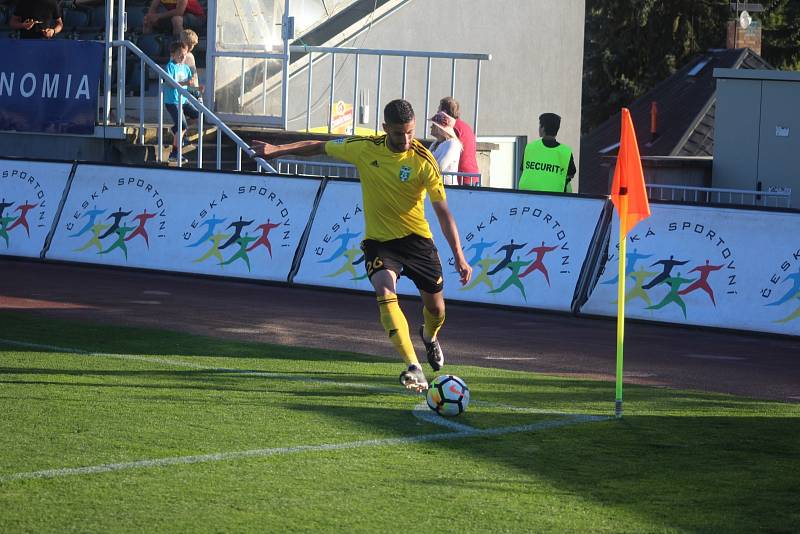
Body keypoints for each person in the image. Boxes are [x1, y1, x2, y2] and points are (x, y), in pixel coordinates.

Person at [251, 99, 473, 392]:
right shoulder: (366, 148)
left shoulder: (424, 161)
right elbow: (320, 146)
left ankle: (430, 337)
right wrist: (278, 150)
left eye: (410, 132)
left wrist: (459, 255)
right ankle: (413, 366)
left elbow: (443, 212)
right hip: (380, 242)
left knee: (436, 309)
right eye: (398, 133)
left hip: (417, 241)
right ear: (385, 129)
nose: (406, 139)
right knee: (384, 290)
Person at [519, 112, 576, 193]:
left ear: (542, 128)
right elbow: (571, 174)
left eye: (539, 125)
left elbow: (523, 170)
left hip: (527, 197)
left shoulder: (530, 147)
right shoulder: (565, 151)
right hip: (555, 199)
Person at [163, 41, 199, 163]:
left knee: (197, 115)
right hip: (172, 101)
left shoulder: (185, 67)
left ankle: (176, 131)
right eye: (179, 54)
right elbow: (170, 83)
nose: (182, 57)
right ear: (172, 54)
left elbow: (189, 85)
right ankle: (174, 153)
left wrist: (196, 91)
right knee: (182, 125)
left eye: (184, 54)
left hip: (183, 100)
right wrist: (185, 83)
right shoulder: (169, 67)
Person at [438, 97, 480, 186]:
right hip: (473, 175)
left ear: (444, 112)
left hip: (462, 177)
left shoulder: (452, 128)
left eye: (438, 110)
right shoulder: (465, 126)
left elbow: (449, 151)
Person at [427, 111, 462, 184]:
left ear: (439, 128)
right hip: (434, 186)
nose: (431, 127)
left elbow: (440, 167)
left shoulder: (453, 144)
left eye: (433, 124)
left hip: (448, 189)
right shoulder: (435, 143)